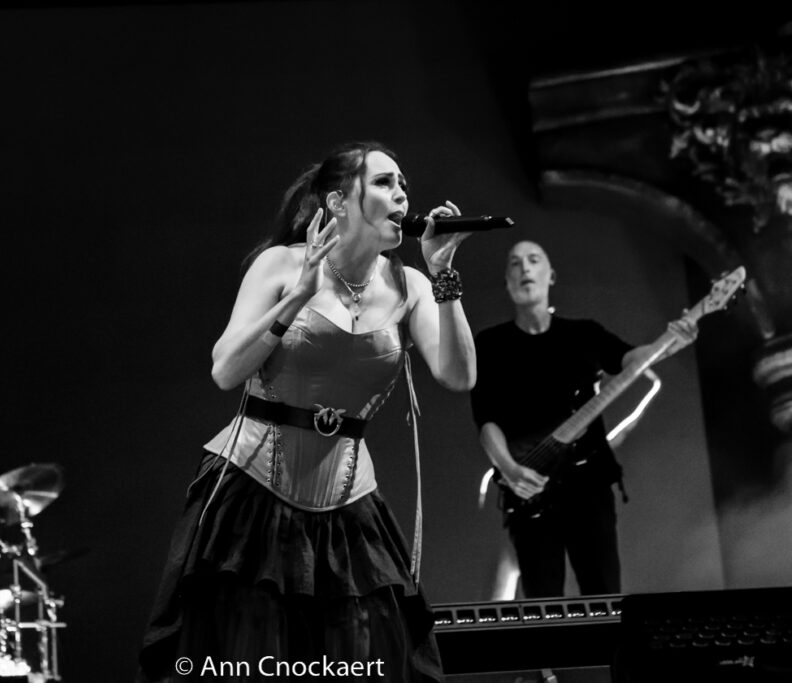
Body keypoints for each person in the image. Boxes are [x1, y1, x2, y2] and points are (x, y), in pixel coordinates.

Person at [137, 141, 476, 682]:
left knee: (365, 660)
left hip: (349, 505)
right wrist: (297, 296)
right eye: (384, 182)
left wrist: (443, 273)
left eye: (404, 185)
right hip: (253, 494)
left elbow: (459, 376)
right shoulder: (280, 264)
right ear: (338, 201)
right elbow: (225, 371)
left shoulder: (409, 285)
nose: (402, 195)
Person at [470, 240, 697, 599]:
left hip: (589, 485)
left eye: (533, 260)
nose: (525, 268)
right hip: (529, 490)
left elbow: (629, 359)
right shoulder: (490, 344)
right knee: (542, 604)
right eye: (515, 263)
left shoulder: (585, 334)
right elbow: (486, 418)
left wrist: (673, 341)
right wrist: (510, 470)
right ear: (507, 282)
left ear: (551, 275)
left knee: (604, 594)